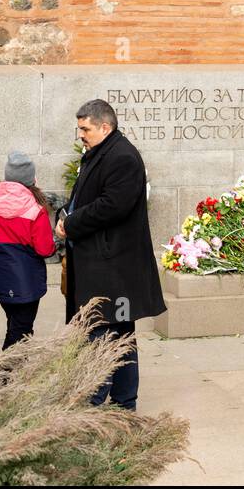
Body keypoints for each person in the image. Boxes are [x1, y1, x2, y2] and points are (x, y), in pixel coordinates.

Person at [58, 99, 167, 410]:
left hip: (114, 270)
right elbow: (80, 196)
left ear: (105, 127)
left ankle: (96, 402)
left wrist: (72, 222)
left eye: (85, 129)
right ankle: (122, 402)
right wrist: (64, 214)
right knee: (117, 335)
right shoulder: (100, 152)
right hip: (103, 266)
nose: (80, 134)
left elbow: (112, 205)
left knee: (104, 335)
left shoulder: (123, 157)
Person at [0, 153, 55, 349]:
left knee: (16, 326)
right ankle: (4, 375)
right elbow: (44, 249)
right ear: (31, 179)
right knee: (20, 332)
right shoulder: (36, 208)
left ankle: (18, 373)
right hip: (28, 282)